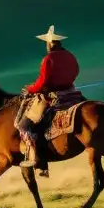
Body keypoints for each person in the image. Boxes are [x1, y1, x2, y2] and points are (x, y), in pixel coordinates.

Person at [18, 25, 80, 171]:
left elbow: (42, 81)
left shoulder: (48, 59)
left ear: (50, 43)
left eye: (47, 42)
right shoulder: (71, 55)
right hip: (72, 92)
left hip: (54, 95)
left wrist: (30, 88)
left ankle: (38, 159)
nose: (46, 45)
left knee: (25, 125)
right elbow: (76, 71)